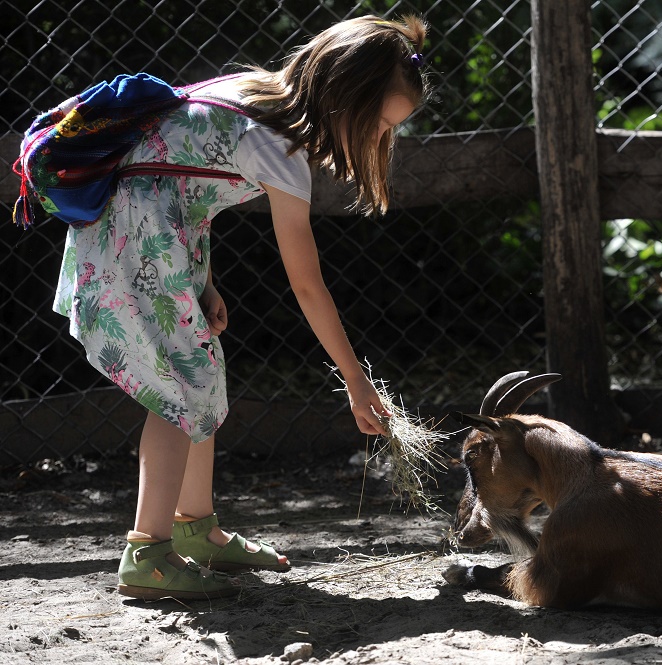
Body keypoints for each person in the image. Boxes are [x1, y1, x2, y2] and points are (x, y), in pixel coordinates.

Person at [51, 15, 431, 601]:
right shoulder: (279, 148)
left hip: (147, 235)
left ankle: (197, 530)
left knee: (199, 372)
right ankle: (147, 555)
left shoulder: (253, 94)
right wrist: (356, 380)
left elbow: (175, 180)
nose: (383, 138)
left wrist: (201, 281)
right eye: (382, 124)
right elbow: (307, 285)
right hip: (132, 240)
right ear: (347, 101)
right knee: (181, 387)